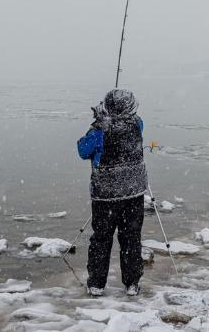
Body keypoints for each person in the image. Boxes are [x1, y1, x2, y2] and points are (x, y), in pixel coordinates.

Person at [76, 88, 147, 297]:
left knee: (101, 239)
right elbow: (129, 126)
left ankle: (97, 284)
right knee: (131, 238)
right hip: (134, 192)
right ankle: (132, 283)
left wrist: (97, 125)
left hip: (105, 196)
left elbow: (82, 151)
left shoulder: (99, 131)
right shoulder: (138, 124)